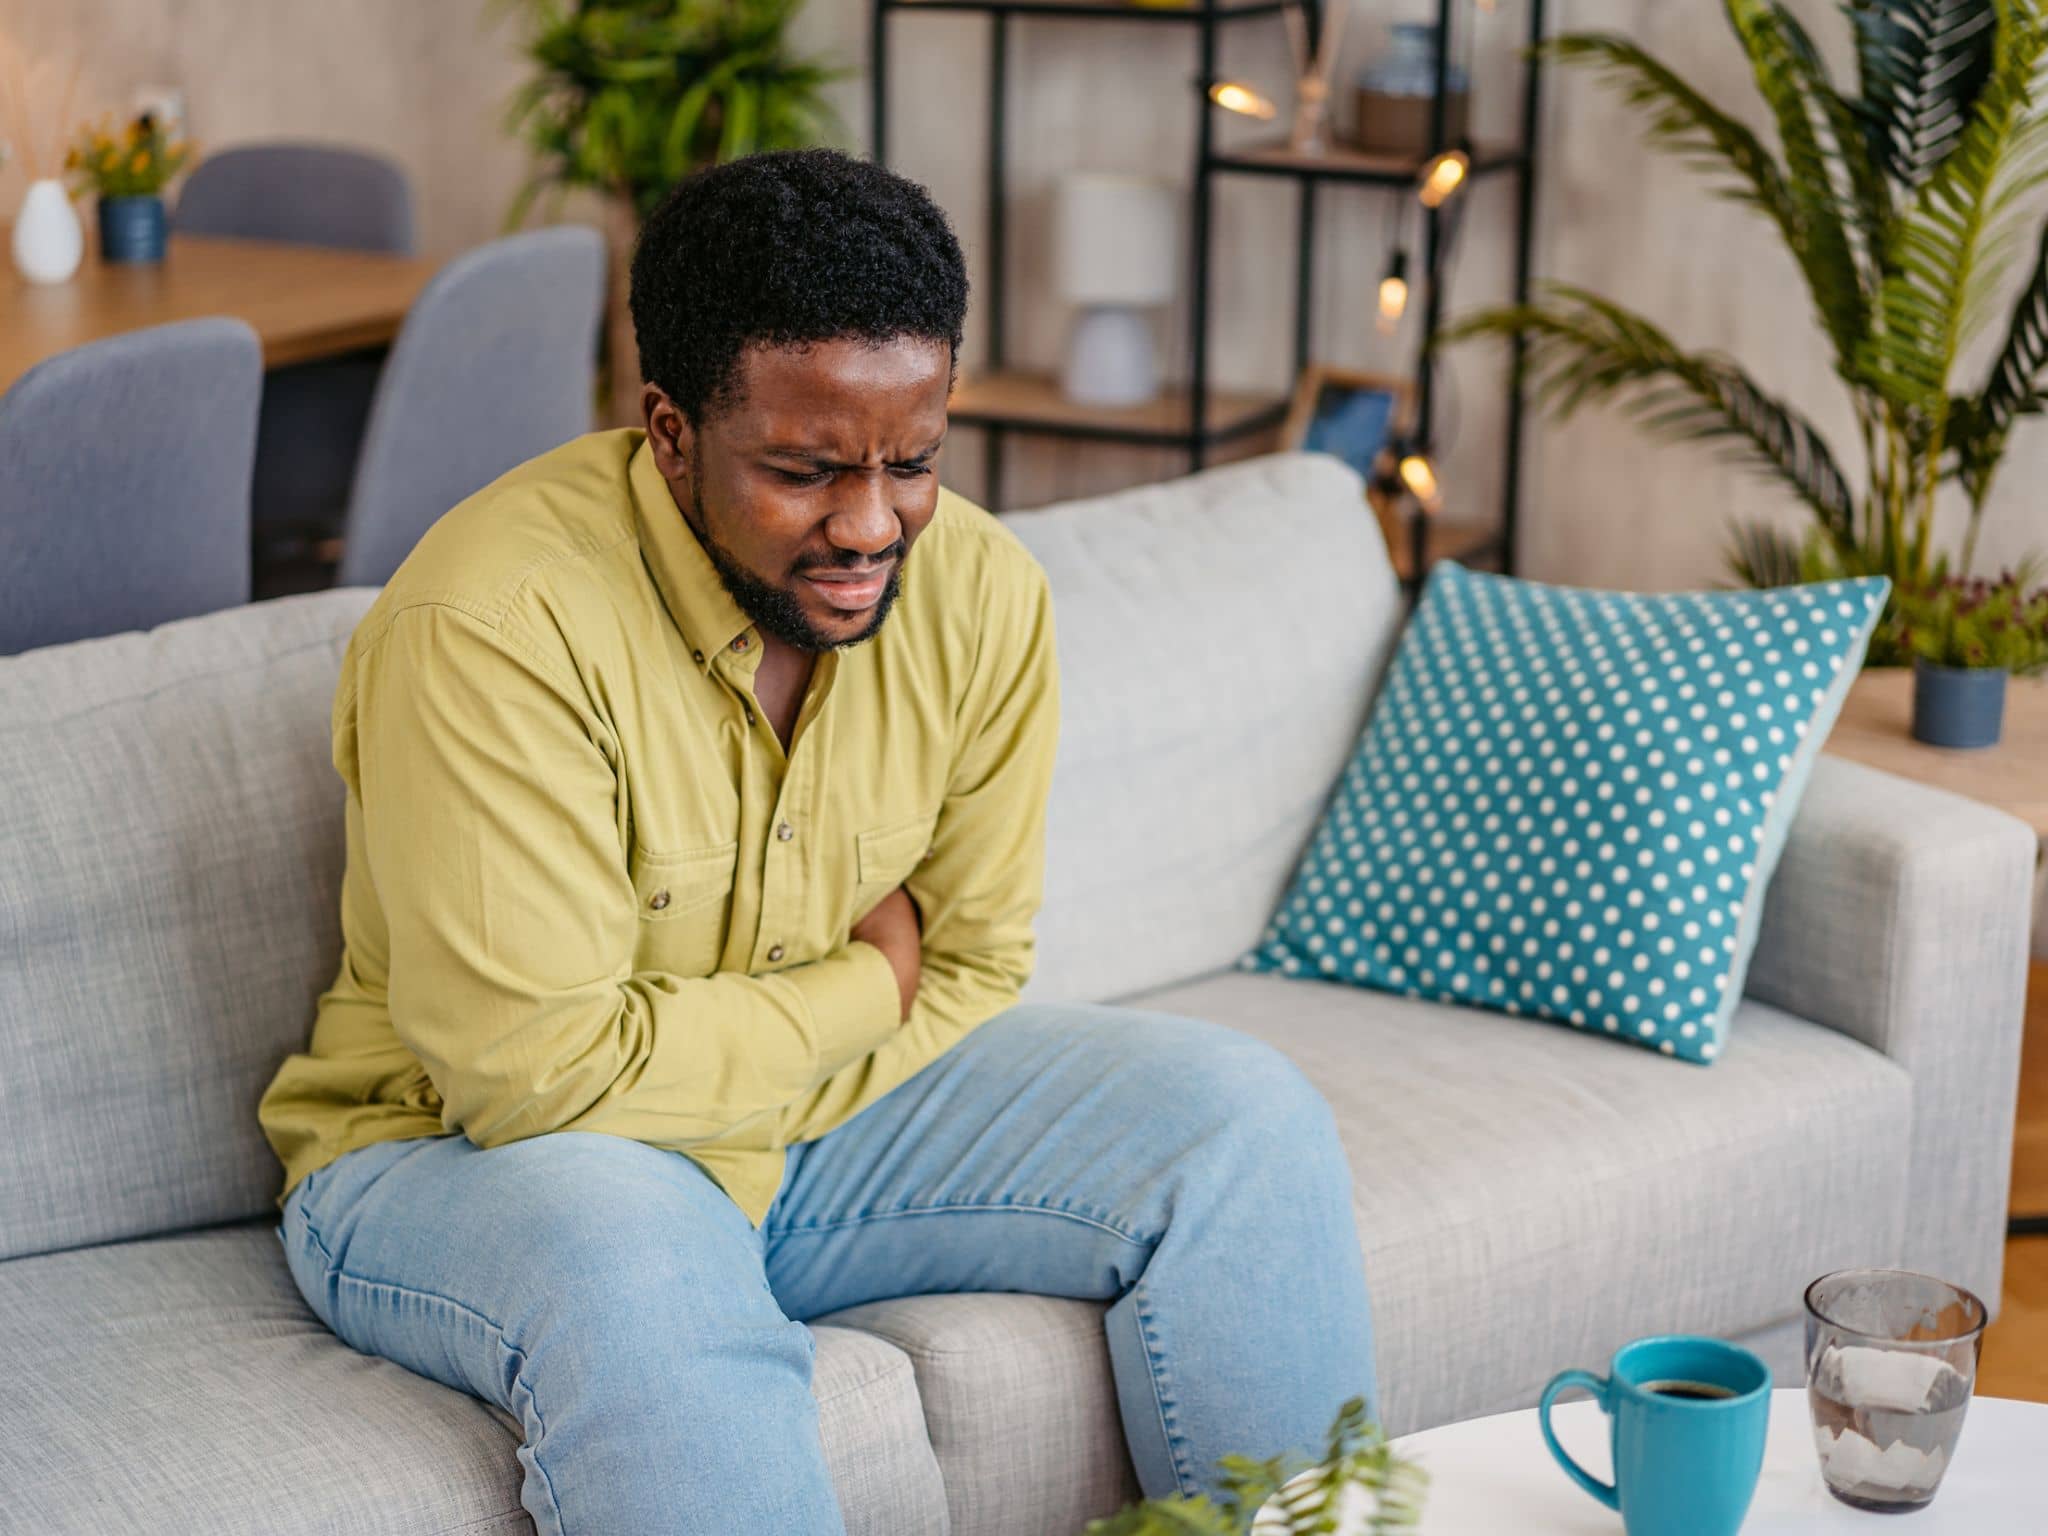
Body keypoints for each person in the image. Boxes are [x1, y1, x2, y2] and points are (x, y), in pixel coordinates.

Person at [257, 146, 1375, 1535]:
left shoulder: (981, 596)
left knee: (1245, 1121)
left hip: (811, 1130)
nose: (870, 524)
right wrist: (861, 985)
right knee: (646, 1259)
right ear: (668, 432)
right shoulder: (493, 630)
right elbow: (533, 1080)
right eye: (803, 470)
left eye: (913, 461)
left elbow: (972, 963)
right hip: (451, 1162)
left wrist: (799, 1058)